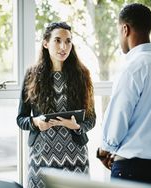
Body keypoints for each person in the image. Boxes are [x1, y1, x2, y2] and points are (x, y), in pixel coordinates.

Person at [96, 3, 151, 188]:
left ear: (125, 29)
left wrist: (104, 150)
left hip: (133, 170)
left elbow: (118, 119)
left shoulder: (132, 68)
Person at [16, 22, 96, 188]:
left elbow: (91, 119)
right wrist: (35, 122)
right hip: (41, 160)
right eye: (57, 40)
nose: (63, 46)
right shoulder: (32, 75)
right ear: (46, 43)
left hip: (76, 161)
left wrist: (76, 126)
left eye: (68, 41)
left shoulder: (82, 75)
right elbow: (21, 119)